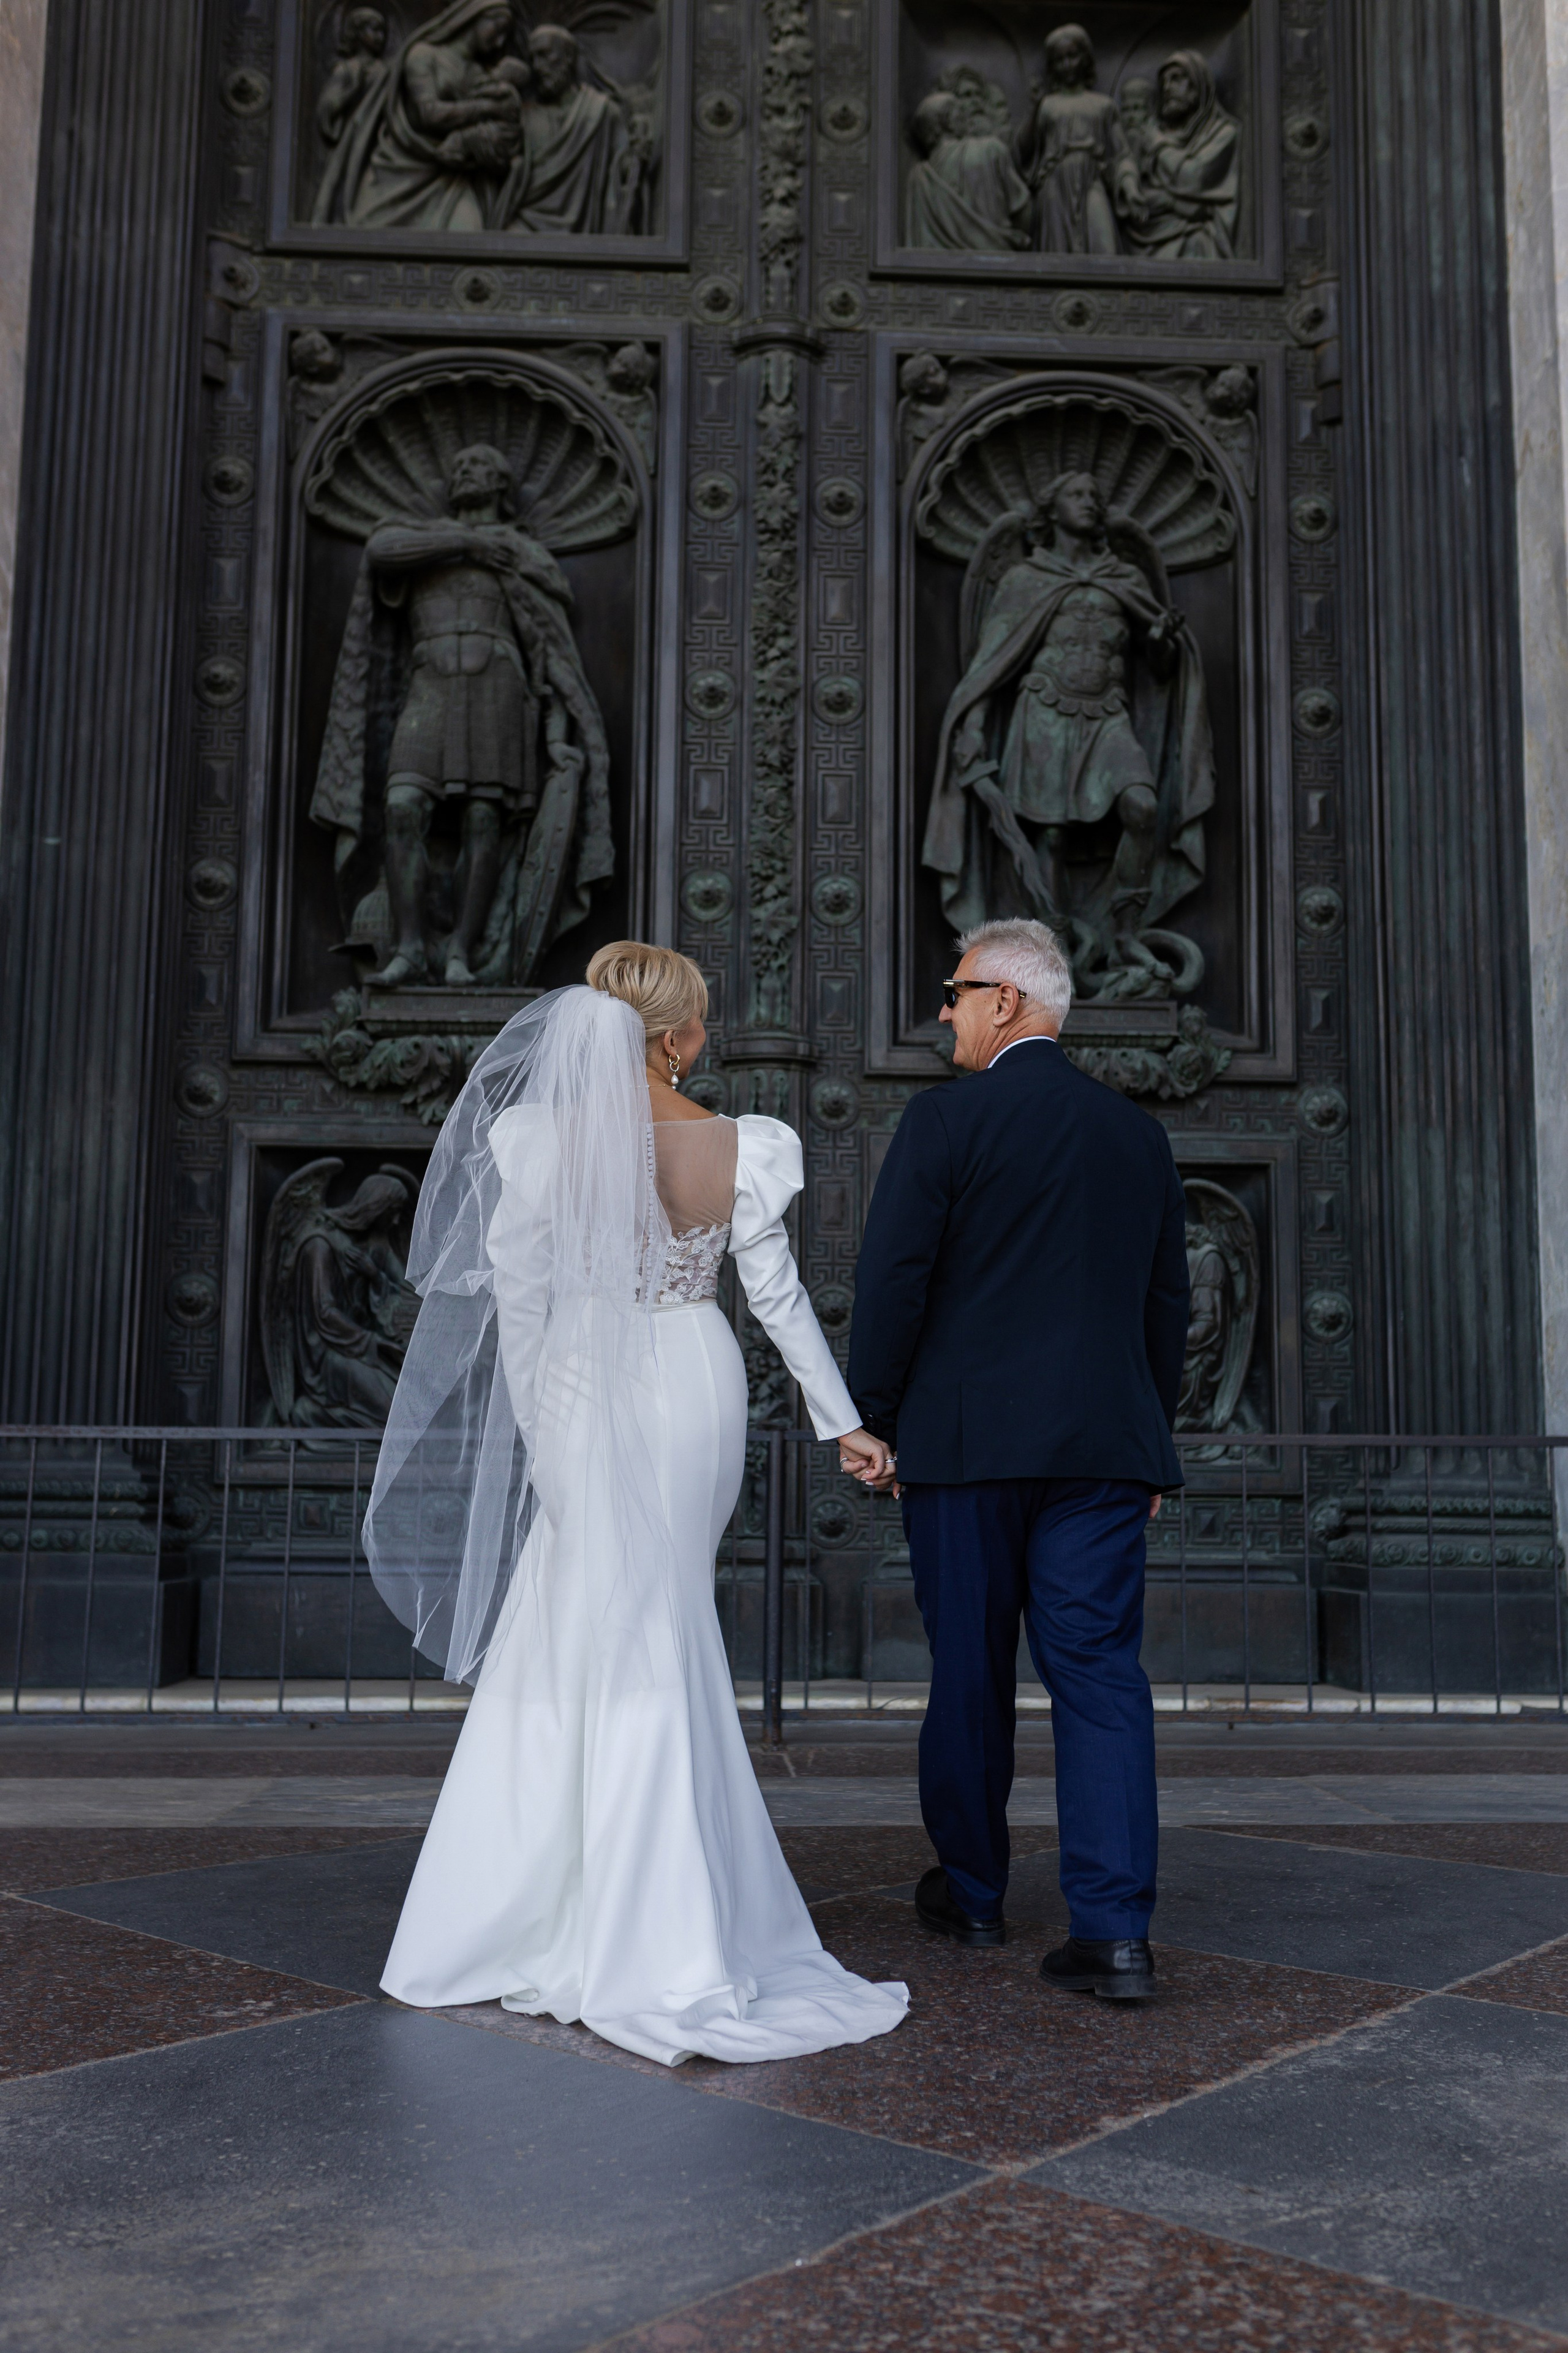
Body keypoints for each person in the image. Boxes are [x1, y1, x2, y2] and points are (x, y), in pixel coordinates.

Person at [369, 943, 909, 2064]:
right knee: (663, 1612)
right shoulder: (739, 1144)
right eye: (700, 1021)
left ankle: (549, 1904)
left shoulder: (534, 1140)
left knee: (596, 1611)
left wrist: (544, 1433)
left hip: (577, 1379)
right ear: (672, 1039)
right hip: (693, 1377)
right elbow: (777, 1298)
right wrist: (842, 1421)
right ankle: (655, 1912)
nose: (706, 1037)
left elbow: (520, 1300)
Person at [847, 918, 1189, 2001]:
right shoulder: (1137, 1135)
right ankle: (1115, 1935)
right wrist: (1148, 1444)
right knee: (1102, 1678)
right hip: (1104, 1451)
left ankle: (975, 1893)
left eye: (954, 993)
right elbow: (1166, 1306)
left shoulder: (945, 1121)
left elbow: (894, 1281)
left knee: (970, 1671)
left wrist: (872, 1417)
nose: (942, 1012)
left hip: (965, 1451)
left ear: (1004, 1000)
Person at [1015, 24, 1144, 255]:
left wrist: (1131, 189)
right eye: (1059, 60)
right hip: (1054, 184)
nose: (1067, 65)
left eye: (1072, 56)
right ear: (1052, 66)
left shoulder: (1103, 106)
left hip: (1093, 179)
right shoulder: (1047, 106)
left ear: (1085, 58)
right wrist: (1034, 110)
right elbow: (1022, 150)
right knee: (1056, 253)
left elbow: (1122, 155)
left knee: (1104, 247)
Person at [1121, 50, 1240, 262]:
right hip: (1144, 230)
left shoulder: (1223, 134)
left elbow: (1193, 179)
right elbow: (1133, 173)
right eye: (1164, 82)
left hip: (1192, 237)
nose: (1167, 88)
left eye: (1177, 79)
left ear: (1198, 85)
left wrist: (1157, 144)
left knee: (1197, 243)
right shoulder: (1158, 133)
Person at [904, 89, 1030, 252]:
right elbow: (1023, 211)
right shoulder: (992, 149)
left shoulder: (918, 177)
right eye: (960, 111)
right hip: (998, 257)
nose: (967, 118)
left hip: (938, 267)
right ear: (947, 121)